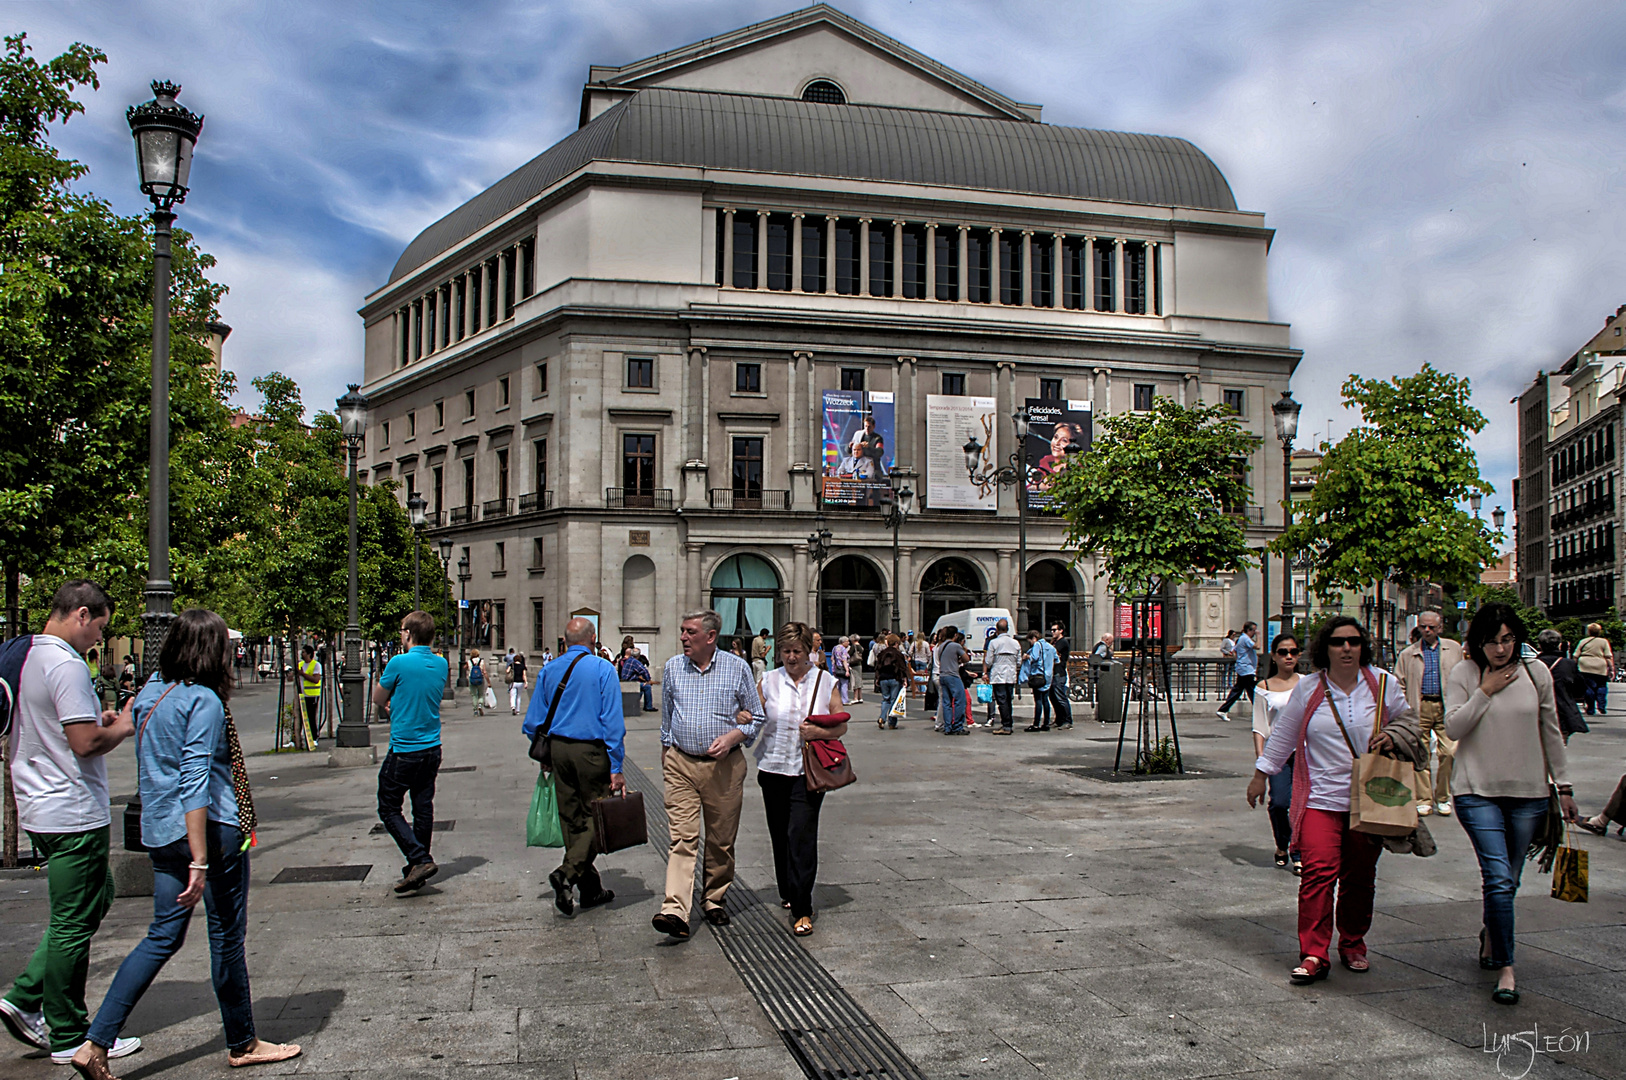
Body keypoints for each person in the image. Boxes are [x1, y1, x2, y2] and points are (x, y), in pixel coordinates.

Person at [70, 608, 300, 1080]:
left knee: (161, 936)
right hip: (209, 832)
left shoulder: (150, 692)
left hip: (159, 833)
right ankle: (243, 1042)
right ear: (213, 652)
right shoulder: (205, 701)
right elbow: (195, 779)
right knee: (226, 938)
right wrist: (200, 859)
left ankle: (95, 1042)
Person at [0, 582, 140, 1067]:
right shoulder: (66, 664)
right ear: (82, 615)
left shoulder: (26, 655)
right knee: (71, 923)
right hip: (72, 809)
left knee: (96, 895)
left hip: (39, 802)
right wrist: (121, 724)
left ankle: (23, 996)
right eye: (99, 629)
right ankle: (68, 1032)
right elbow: (84, 744)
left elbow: (57, 725)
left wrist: (92, 719)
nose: (98, 641)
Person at [1247, 617, 1410, 985]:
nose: (1347, 648)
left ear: (1363, 645)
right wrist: (1262, 774)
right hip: (1321, 797)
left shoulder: (1382, 684)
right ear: (1326, 648)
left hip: (1369, 799)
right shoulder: (1311, 688)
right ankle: (1314, 952)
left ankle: (1353, 942)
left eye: (1354, 641)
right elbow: (1285, 734)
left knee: (1360, 877)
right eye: (1338, 642)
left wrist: (1393, 737)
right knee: (1318, 875)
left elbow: (1408, 725)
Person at [1439, 603, 1575, 1005]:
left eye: (1507, 640)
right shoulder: (1464, 674)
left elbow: (1551, 730)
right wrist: (1486, 691)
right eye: (1491, 641)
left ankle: (1492, 933)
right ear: (1477, 642)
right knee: (1498, 878)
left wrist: (1563, 786)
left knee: (1509, 882)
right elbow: (1454, 726)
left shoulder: (1537, 674)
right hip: (1476, 790)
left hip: (1529, 793)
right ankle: (1506, 966)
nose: (1500, 649)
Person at [654, 610, 765, 939]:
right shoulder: (674, 666)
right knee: (682, 839)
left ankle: (714, 898)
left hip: (725, 768)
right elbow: (667, 714)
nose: (683, 637)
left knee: (720, 840)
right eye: (682, 631)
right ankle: (675, 910)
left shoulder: (737, 668)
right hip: (681, 764)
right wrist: (666, 750)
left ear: (710, 636)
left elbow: (756, 718)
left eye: (689, 632)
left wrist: (732, 737)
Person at [525, 618, 625, 916]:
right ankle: (567, 874)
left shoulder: (549, 670)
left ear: (564, 641)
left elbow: (533, 721)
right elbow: (612, 721)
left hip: (558, 750)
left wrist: (546, 755)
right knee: (598, 814)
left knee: (571, 818)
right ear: (593, 638)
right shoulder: (602, 669)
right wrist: (616, 765)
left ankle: (590, 889)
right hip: (590, 751)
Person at [754, 622, 847, 936]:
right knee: (780, 834)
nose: (791, 657)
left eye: (797, 651)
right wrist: (742, 718)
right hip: (771, 768)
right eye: (785, 651)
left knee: (801, 836)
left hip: (807, 772)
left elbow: (840, 725)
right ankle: (787, 890)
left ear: (810, 650)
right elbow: (754, 717)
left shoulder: (825, 681)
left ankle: (802, 907)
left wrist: (818, 732)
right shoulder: (768, 681)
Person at [371, 611, 450, 895]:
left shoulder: (399, 662)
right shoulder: (441, 665)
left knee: (388, 806)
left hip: (405, 746)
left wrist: (393, 704)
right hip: (432, 746)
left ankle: (419, 859)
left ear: (409, 633)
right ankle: (417, 866)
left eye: (402, 630)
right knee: (423, 805)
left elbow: (379, 698)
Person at [1397, 610, 1465, 818]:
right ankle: (1424, 799)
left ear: (1440, 628)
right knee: (1420, 755)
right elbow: (1399, 683)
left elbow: (1464, 674)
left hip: (1446, 706)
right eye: (1423, 627)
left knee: (1449, 752)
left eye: (1431, 627)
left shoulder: (1453, 649)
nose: (1427, 630)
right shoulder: (1408, 653)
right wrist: (1405, 708)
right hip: (1420, 706)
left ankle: (1443, 797)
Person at [1251, 634, 1304, 873]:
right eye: (1283, 652)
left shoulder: (1308, 683)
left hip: (1305, 754)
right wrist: (1261, 764)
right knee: (1280, 802)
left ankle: (1298, 851)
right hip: (1277, 753)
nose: (1288, 656)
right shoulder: (1264, 688)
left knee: (1302, 803)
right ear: (1274, 656)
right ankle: (1282, 843)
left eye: (1293, 651)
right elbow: (1260, 727)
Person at [1533, 629, 1588, 742]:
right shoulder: (1568, 664)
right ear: (1559, 644)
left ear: (1539, 645)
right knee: (1559, 747)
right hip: (1562, 713)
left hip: (1537, 714)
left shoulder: (1531, 665)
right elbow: (1580, 688)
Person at [984, 619, 1021, 735]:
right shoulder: (1015, 643)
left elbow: (988, 661)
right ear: (1007, 629)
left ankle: (1006, 725)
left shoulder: (994, 643)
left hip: (998, 674)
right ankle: (1009, 722)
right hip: (1011, 674)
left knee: (1001, 700)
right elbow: (1019, 662)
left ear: (997, 629)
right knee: (1009, 700)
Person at [1216, 622, 1258, 719]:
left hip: (1244, 668)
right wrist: (1259, 636)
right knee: (1251, 691)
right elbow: (1257, 646)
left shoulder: (1242, 639)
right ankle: (1260, 712)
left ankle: (1223, 710)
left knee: (1238, 690)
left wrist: (1238, 659)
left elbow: (1234, 650)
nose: (1255, 632)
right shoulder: (1245, 639)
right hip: (1246, 669)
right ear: (1249, 630)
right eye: (1254, 630)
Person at [1021, 630, 1058, 732]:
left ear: (1034, 638)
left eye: (1030, 641)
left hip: (1038, 675)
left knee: (1038, 700)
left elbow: (1034, 657)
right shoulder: (1050, 647)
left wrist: (1026, 656)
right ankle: (1046, 723)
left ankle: (1036, 724)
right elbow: (1057, 659)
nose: (1031, 644)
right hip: (1048, 675)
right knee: (1045, 699)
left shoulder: (1037, 644)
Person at [1575, 622, 1614, 716]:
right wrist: (1612, 669)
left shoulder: (1583, 641)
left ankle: (1591, 708)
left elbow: (1575, 655)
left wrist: (1574, 667)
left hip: (1585, 666)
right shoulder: (1604, 641)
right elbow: (1608, 656)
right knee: (1601, 685)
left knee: (1588, 687)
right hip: (1600, 667)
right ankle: (1601, 704)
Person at [936, 629, 968, 735]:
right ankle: (958, 726)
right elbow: (966, 659)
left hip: (942, 675)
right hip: (953, 675)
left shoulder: (941, 646)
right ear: (955, 635)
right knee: (960, 700)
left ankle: (948, 726)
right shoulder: (955, 646)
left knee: (946, 702)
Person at [873, 634, 909, 729]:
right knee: (894, 700)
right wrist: (905, 679)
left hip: (883, 678)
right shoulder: (898, 654)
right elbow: (902, 668)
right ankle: (892, 723)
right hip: (895, 678)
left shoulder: (882, 653)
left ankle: (882, 718)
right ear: (896, 643)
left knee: (886, 699)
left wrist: (877, 678)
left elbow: (878, 667)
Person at [1049, 623, 1074, 729]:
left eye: (1054, 630)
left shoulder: (1062, 642)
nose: (1052, 632)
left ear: (1061, 631)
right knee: (1053, 697)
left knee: (1061, 697)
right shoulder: (1054, 642)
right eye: (1051, 630)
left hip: (1059, 672)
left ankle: (1067, 720)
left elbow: (1052, 652)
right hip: (1053, 672)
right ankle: (1059, 719)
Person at [296, 645, 322, 743]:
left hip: (312, 695)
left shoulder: (316, 665)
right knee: (298, 716)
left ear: (309, 654)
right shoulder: (300, 664)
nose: (301, 654)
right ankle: (296, 738)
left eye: (303, 652)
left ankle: (314, 737)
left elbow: (316, 679)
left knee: (311, 716)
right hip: (301, 694)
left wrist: (303, 674)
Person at [620, 645, 655, 712]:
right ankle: (648, 706)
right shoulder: (635, 661)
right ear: (638, 655)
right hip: (629, 682)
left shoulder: (629, 660)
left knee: (642, 688)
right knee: (647, 687)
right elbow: (644, 671)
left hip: (625, 681)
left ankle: (638, 705)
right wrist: (648, 680)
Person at [830, 635, 852, 705]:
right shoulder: (843, 649)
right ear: (843, 642)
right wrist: (847, 670)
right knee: (844, 684)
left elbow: (832, 658)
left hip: (836, 668)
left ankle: (836, 699)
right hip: (842, 668)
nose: (848, 643)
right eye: (847, 641)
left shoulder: (834, 648)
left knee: (837, 685)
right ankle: (845, 700)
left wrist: (833, 668)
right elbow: (844, 660)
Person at [468, 650, 486, 715]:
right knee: (480, 694)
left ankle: (475, 710)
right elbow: (484, 671)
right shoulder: (481, 661)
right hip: (480, 679)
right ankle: (480, 705)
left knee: (474, 695)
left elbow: (465, 668)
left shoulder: (469, 661)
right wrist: (488, 681)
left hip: (472, 679)